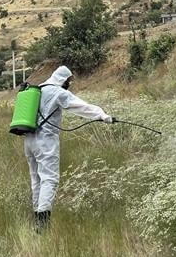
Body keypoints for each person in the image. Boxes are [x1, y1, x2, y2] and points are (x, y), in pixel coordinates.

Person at [25, 65, 112, 232]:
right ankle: (43, 224)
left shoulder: (37, 89)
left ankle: (37, 218)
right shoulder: (57, 92)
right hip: (46, 141)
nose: (69, 84)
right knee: (49, 179)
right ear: (63, 79)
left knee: (36, 179)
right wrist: (102, 115)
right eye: (68, 81)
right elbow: (81, 106)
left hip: (29, 140)